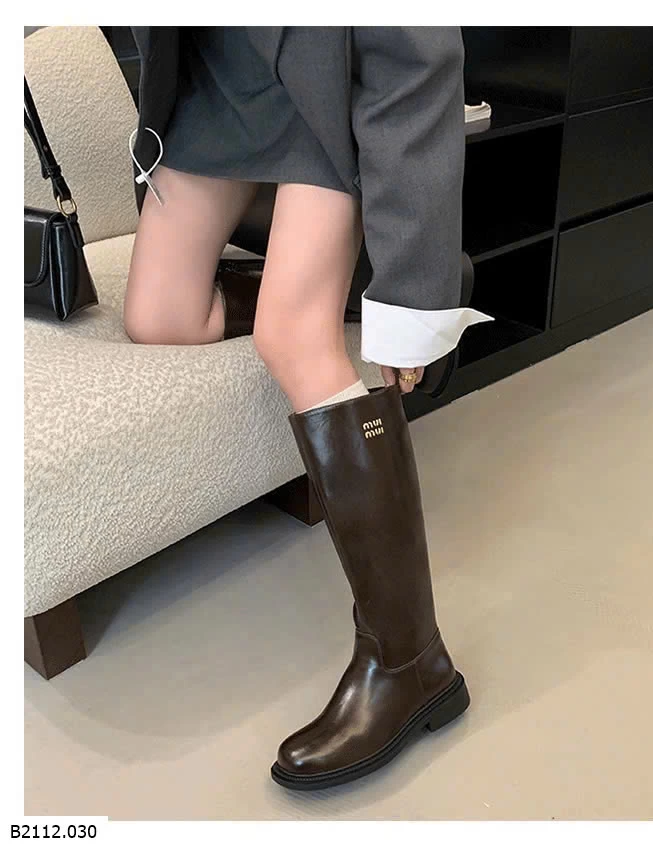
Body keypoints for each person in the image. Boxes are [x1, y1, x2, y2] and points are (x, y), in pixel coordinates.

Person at [125, 26, 492, 791]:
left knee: (291, 338)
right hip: (214, 86)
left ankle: (411, 661)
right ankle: (333, 294)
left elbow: (417, 52)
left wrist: (412, 294)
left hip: (325, 101)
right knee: (158, 316)